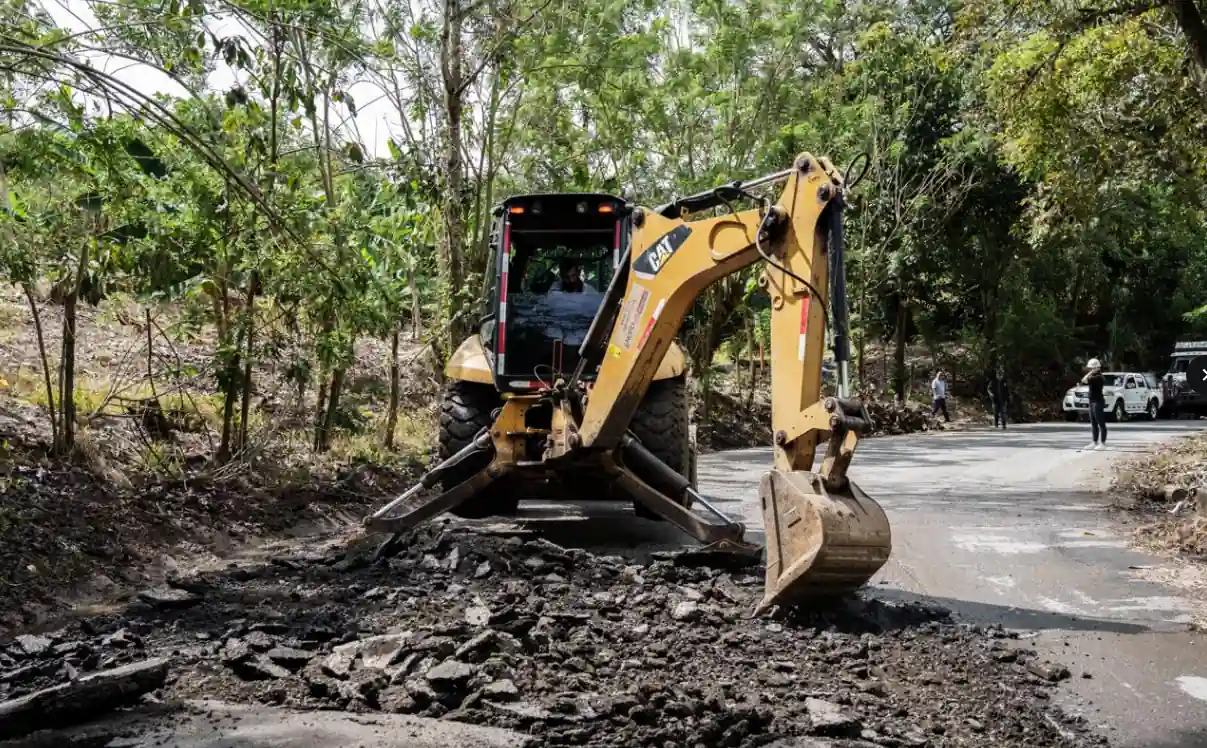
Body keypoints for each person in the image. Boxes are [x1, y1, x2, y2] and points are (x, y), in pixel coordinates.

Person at [1080, 358, 1106, 450]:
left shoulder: (1098, 377)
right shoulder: (1094, 376)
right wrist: (1092, 372)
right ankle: (1094, 442)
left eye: (1091, 368)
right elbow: (1084, 380)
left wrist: (1092, 372)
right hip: (1092, 401)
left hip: (1098, 402)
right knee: (1093, 423)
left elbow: (1084, 380)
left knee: (1100, 423)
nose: (1090, 370)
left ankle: (1102, 443)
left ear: (1096, 368)